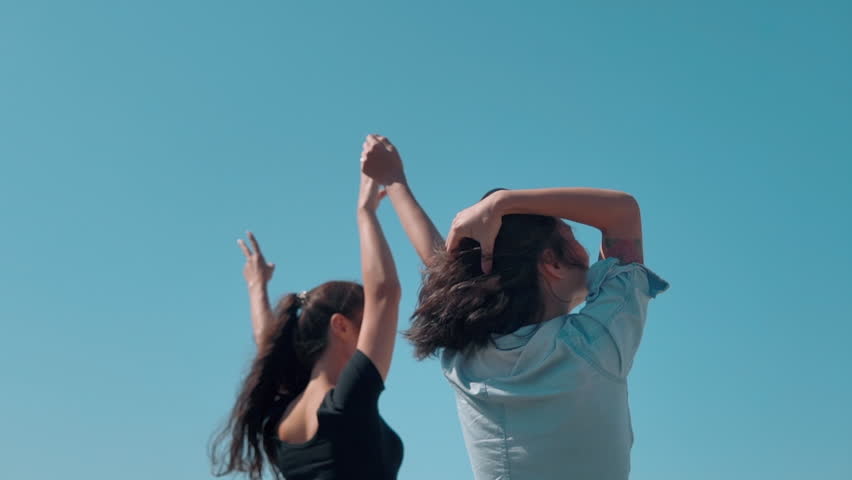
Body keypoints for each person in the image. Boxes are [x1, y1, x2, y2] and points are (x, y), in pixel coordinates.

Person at [362, 138, 669, 480]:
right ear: (551, 261)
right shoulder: (595, 343)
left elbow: (439, 266)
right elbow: (623, 213)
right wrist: (503, 202)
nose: (586, 250)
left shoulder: (468, 359)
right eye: (571, 234)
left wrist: (396, 182)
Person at [211, 138, 404, 480]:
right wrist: (365, 212)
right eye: (365, 318)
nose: (375, 326)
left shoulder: (284, 411)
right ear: (340, 326)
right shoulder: (346, 403)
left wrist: (258, 287)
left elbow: (266, 344)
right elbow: (385, 294)